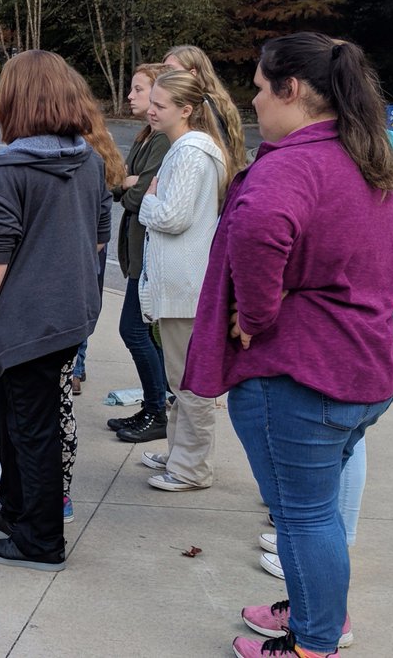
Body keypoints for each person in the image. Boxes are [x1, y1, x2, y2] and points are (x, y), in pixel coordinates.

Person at [182, 33, 393, 658]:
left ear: (293, 90)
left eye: (258, 87)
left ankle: (313, 644)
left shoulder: (290, 165)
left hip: (303, 379)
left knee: (303, 519)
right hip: (363, 371)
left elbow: (259, 230)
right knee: (318, 511)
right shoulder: (364, 155)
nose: (252, 100)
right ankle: (316, 612)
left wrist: (255, 313)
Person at [0, 50, 109, 571]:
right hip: (69, 314)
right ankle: (18, 510)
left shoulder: (9, 169)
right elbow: (98, 242)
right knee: (17, 417)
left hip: (26, 319)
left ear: (14, 101)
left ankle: (41, 540)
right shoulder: (89, 159)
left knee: (32, 426)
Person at [136, 69, 236, 492]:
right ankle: (180, 454)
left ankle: (192, 468)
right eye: (152, 103)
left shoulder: (191, 152)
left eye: (160, 105)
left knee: (190, 383)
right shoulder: (193, 149)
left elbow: (174, 217)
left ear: (187, 110)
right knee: (182, 378)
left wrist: (146, 201)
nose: (152, 111)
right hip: (183, 284)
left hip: (183, 286)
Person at [107, 63, 172, 443]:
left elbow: (137, 194)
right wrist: (127, 184)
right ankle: (154, 406)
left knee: (133, 328)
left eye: (138, 89)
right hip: (135, 249)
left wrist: (129, 185)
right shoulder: (146, 136)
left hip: (148, 250)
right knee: (142, 330)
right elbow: (120, 184)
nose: (131, 96)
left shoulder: (162, 140)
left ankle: (157, 409)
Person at [68, 80, 127, 396]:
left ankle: (75, 368)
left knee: (76, 301)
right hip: (95, 240)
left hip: (85, 239)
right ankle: (79, 364)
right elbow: (114, 186)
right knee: (89, 300)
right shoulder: (102, 142)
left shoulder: (80, 149)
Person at [162, 44, 247, 174]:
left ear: (192, 74)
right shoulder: (218, 102)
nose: (164, 76)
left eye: (171, 70)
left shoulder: (204, 105)